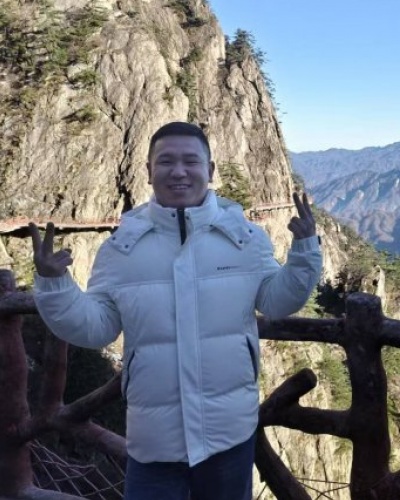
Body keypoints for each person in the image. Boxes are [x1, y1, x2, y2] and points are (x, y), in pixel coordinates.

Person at [30, 121, 322, 500]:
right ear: (149, 171)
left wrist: (304, 252)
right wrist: (55, 285)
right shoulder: (121, 249)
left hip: (228, 431)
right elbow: (97, 327)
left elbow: (276, 301)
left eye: (191, 161)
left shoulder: (245, 238)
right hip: (154, 438)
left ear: (210, 170)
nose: (179, 171)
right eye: (166, 161)